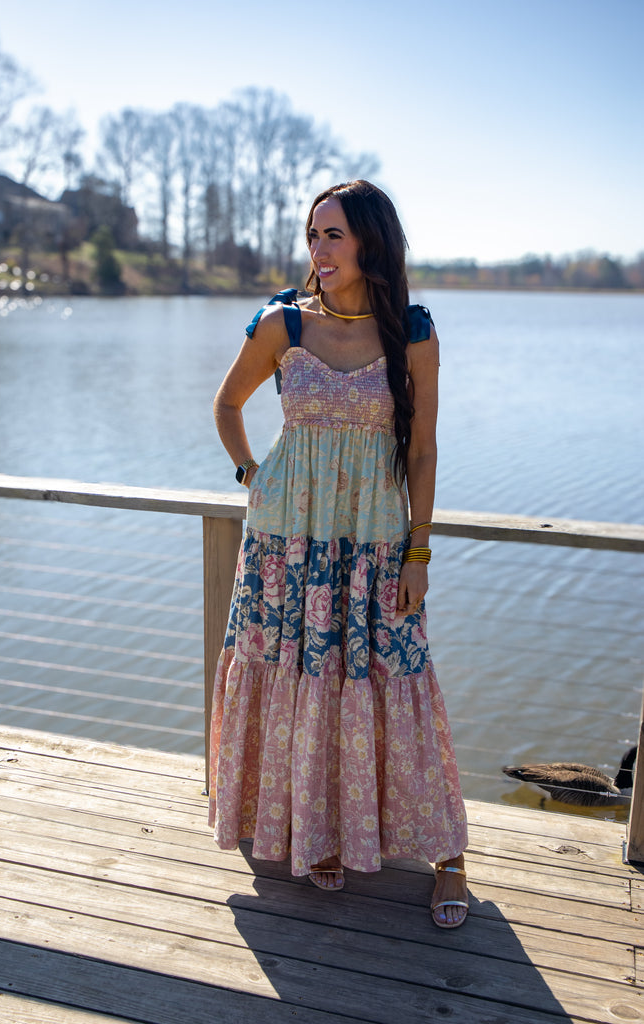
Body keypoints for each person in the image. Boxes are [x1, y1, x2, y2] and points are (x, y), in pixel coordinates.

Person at [209, 180, 468, 928]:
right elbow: (227, 404)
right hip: (286, 541)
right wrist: (252, 475)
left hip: (375, 542)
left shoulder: (410, 331)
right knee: (300, 675)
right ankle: (315, 830)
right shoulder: (282, 323)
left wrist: (419, 552)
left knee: (396, 674)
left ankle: (449, 854)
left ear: (369, 243)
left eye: (334, 235)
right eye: (312, 235)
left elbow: (422, 451)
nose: (319, 250)